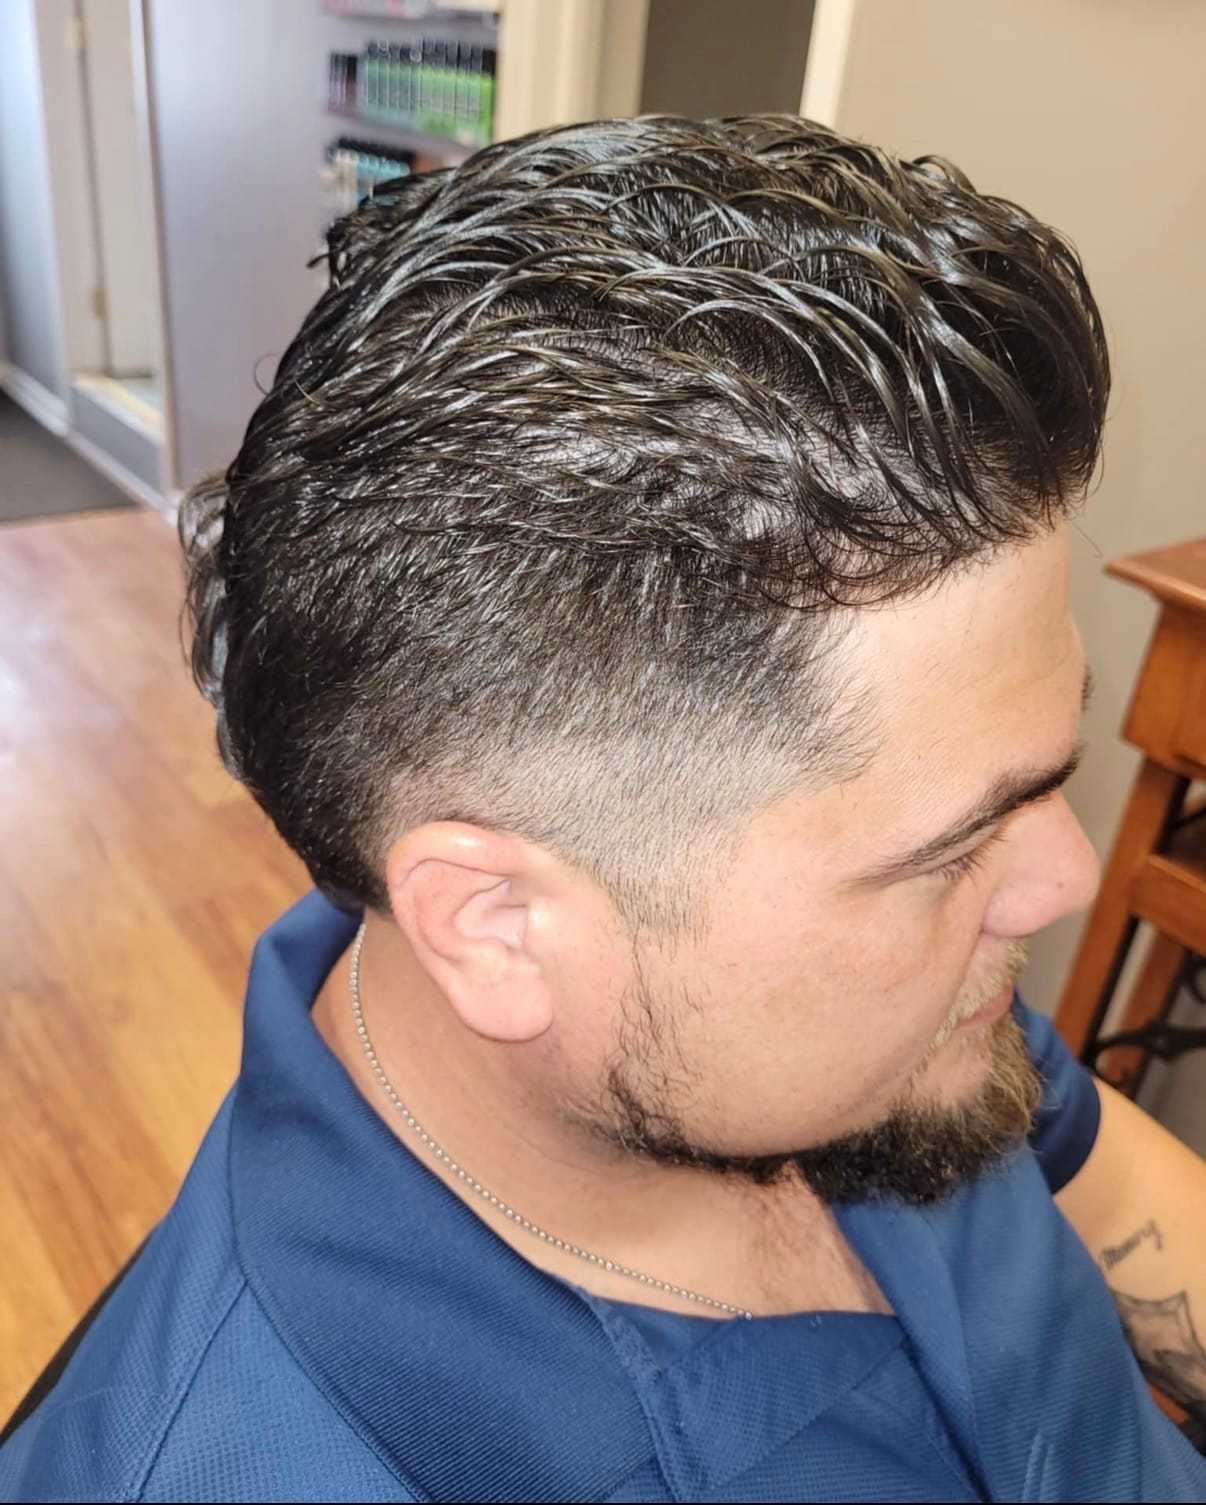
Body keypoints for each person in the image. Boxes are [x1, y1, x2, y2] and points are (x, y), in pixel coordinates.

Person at [3, 114, 1204, 1503]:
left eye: (1039, 781)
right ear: (501, 925)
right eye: (955, 843)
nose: (1056, 873)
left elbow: (1103, 1183)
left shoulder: (880, 997)